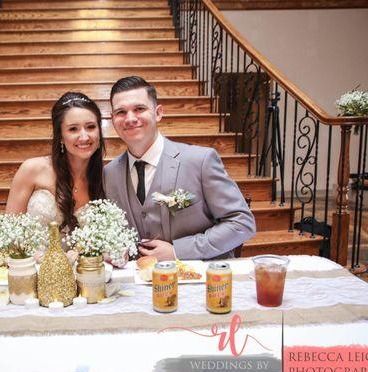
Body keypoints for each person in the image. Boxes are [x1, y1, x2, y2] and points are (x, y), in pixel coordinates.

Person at [103, 76, 256, 261]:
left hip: (198, 281)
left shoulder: (200, 161)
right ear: (113, 120)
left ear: (158, 113)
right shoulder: (109, 173)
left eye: (139, 109)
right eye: (121, 112)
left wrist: (178, 252)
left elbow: (242, 223)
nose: (130, 118)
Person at [5, 92, 105, 232]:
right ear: (60, 136)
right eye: (73, 129)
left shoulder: (105, 177)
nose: (84, 136)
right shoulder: (32, 170)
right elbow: (8, 233)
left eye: (91, 127)